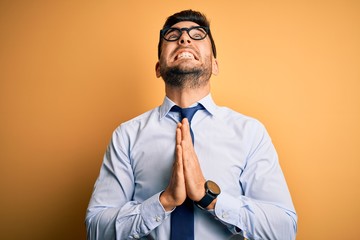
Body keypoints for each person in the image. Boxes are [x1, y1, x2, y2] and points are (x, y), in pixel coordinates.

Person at [85, 9, 297, 240]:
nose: (184, 39)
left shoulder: (250, 132)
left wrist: (209, 198)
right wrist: (164, 201)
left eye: (197, 34)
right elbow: (96, 229)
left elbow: (284, 230)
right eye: (172, 36)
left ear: (215, 65)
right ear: (158, 68)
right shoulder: (126, 135)